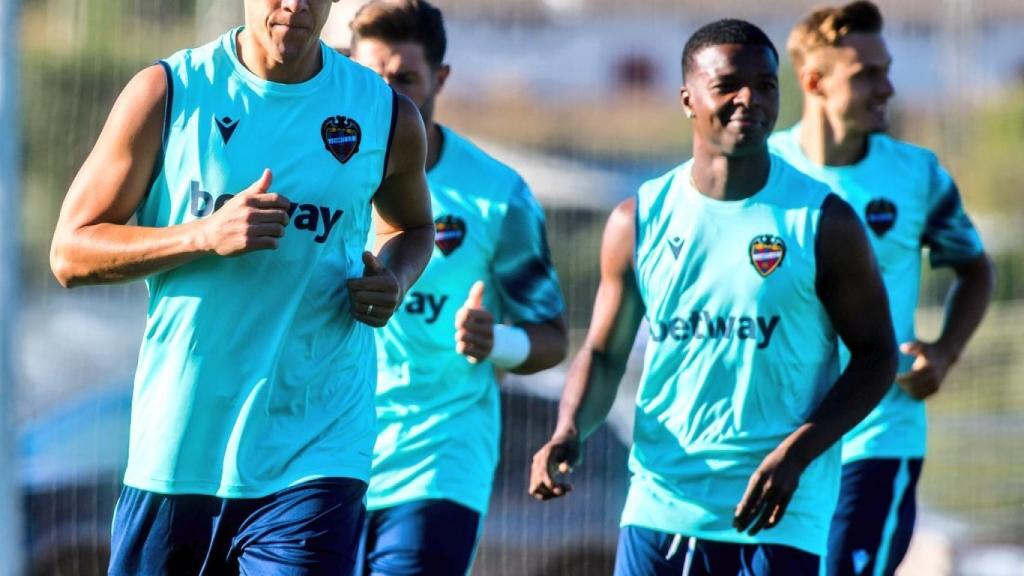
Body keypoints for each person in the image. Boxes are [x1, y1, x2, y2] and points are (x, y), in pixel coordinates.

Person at [48, 0, 435, 574]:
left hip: (318, 445)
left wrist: (393, 277)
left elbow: (413, 227)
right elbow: (70, 251)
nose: (296, 6)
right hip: (180, 447)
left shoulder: (383, 114)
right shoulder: (169, 91)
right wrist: (203, 234)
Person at [529, 19, 899, 575]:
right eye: (728, 84)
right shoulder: (640, 219)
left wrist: (797, 453)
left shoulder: (822, 222)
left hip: (777, 511)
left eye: (766, 85)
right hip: (660, 502)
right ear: (687, 99)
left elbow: (877, 356)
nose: (749, 98)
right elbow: (604, 354)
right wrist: (568, 430)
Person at [769, 3, 995, 574]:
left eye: (886, 70)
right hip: (777, 437)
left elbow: (974, 268)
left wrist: (944, 352)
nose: (887, 87)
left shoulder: (916, 175)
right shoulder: (765, 171)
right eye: (867, 73)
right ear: (814, 81)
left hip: (877, 438)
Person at [346, 1, 568, 573]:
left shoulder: (498, 193)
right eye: (373, 78)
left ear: (440, 79)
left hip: (438, 459)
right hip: (326, 450)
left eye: (406, 80)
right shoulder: (323, 177)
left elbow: (551, 337)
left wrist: (497, 342)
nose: (389, 96)